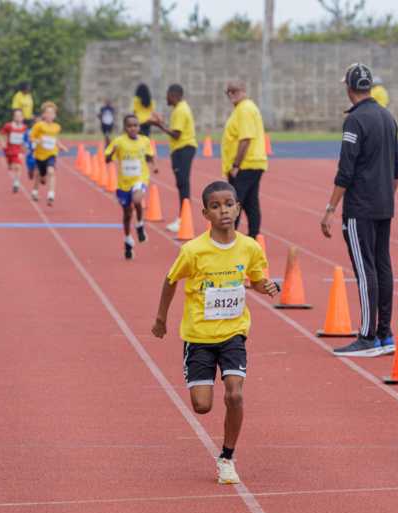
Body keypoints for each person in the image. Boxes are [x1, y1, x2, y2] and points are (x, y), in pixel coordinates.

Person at [151, 180, 278, 485]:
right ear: (205, 213)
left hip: (234, 333)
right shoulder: (193, 251)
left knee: (234, 393)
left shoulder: (249, 247)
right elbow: (170, 281)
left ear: (238, 208)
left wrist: (267, 286)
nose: (224, 210)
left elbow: (257, 279)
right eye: (216, 206)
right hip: (198, 337)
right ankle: (204, 393)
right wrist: (161, 319)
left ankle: (227, 458)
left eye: (229, 204)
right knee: (202, 405)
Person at [320, 63, 398, 357]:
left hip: (360, 208)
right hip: (383, 205)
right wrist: (386, 195)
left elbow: (346, 170)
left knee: (365, 269)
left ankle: (368, 337)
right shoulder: (387, 117)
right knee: (382, 266)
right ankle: (385, 333)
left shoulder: (355, 121)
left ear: (349, 88)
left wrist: (330, 208)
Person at [105, 114, 158, 259]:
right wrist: (112, 152)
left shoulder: (144, 141)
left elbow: (149, 156)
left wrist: (154, 166)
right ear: (125, 128)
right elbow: (107, 159)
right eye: (130, 126)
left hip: (140, 178)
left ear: (139, 127)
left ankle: (140, 224)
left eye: (136, 125)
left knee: (137, 199)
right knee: (127, 214)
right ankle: (128, 240)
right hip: (123, 184)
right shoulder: (119, 142)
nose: (133, 128)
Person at [221, 80, 267, 239]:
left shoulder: (245, 109)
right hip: (251, 163)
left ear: (243, 90)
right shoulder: (242, 109)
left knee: (234, 201)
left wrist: (235, 165)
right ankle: (254, 236)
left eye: (234, 90)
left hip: (246, 164)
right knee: (249, 202)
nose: (231, 94)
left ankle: (228, 238)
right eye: (228, 92)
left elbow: (245, 139)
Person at [151, 84, 198, 233]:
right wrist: (163, 124)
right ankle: (183, 217)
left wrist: (159, 125)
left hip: (183, 149)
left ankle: (183, 219)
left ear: (174, 95)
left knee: (183, 184)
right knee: (182, 184)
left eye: (167, 95)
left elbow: (176, 134)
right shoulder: (181, 109)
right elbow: (175, 131)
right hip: (183, 148)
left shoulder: (180, 110)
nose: (166, 98)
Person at [29, 101, 68, 205]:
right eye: (48, 113)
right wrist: (37, 141)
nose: (50, 115)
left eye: (52, 113)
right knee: (39, 175)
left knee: (51, 171)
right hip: (39, 155)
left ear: (55, 115)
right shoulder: (39, 126)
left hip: (51, 154)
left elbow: (55, 139)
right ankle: (35, 191)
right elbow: (31, 137)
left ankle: (51, 194)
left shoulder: (56, 127)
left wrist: (61, 146)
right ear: (44, 115)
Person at [0, 108, 28, 193]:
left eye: (20, 116)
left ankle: (16, 183)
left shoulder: (24, 127)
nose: (18, 117)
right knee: (11, 166)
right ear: (13, 117)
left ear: (23, 117)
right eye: (16, 116)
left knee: (18, 166)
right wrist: (3, 144)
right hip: (9, 150)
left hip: (19, 150)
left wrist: (25, 148)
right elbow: (2, 134)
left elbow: (26, 139)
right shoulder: (8, 126)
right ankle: (10, 165)